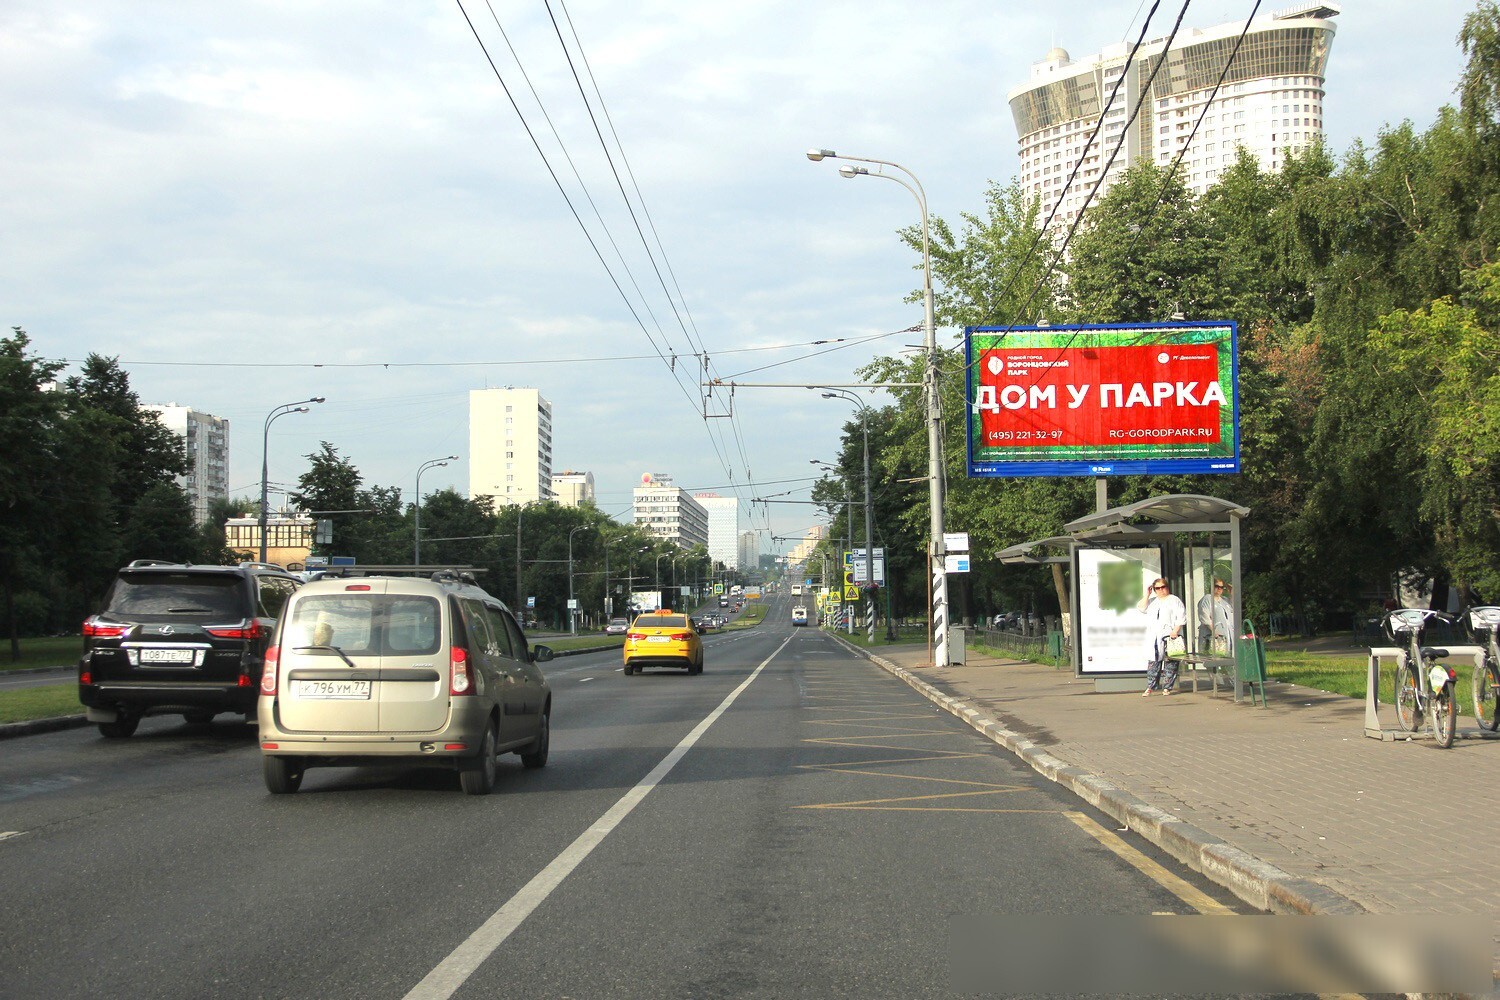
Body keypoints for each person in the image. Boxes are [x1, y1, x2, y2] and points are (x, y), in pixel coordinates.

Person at [1140, 577, 1187, 696]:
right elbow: (1141, 608)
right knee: (1153, 661)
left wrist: (1175, 631)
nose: (1161, 590)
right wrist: (1147, 594)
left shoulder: (1174, 600)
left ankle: (1167, 687)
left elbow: (1181, 617)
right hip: (1154, 636)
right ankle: (1150, 686)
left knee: (1170, 662)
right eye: (1158, 588)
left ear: (1167, 587)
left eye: (1163, 587)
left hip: (1170, 635)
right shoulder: (1153, 601)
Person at [1196, 578, 1232, 656]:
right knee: (1213, 659)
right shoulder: (1207, 598)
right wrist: (1213, 631)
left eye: (1222, 587)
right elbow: (1204, 616)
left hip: (1225, 636)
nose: (1219, 589)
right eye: (1217, 586)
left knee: (1225, 658)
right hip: (1213, 636)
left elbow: (1233, 610)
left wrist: (1231, 592)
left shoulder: (1224, 600)